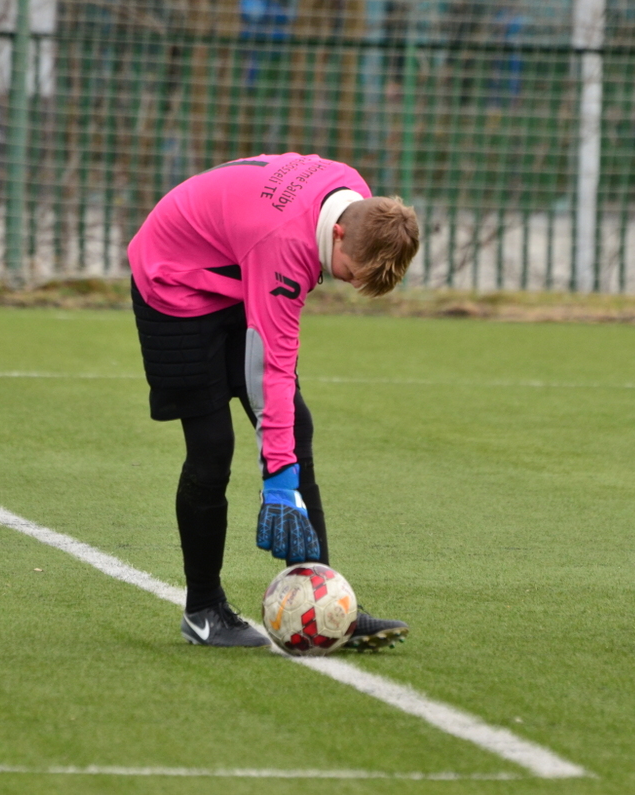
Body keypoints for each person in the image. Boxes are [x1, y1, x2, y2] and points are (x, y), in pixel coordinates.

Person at [127, 153, 420, 650]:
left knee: (295, 428)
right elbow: (273, 371)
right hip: (172, 281)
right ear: (341, 236)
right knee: (212, 447)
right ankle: (203, 610)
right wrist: (278, 483)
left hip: (237, 271)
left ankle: (329, 608)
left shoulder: (354, 197)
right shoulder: (285, 244)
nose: (348, 282)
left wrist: (281, 468)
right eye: (351, 272)